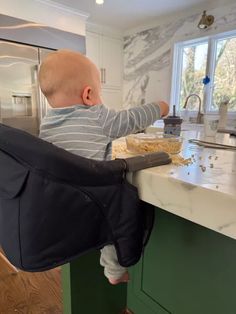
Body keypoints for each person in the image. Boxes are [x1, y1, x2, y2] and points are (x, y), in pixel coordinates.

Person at [38, 49, 169, 285]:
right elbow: (130, 120)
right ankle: (114, 272)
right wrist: (159, 107)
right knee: (118, 220)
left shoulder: (47, 123)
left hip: (61, 204)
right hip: (94, 204)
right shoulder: (96, 115)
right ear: (88, 94)